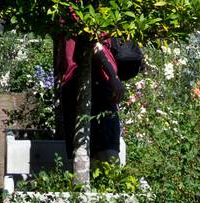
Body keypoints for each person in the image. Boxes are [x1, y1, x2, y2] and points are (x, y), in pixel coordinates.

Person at [56, 33, 144, 164]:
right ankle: (107, 183)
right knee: (107, 154)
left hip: (77, 83)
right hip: (95, 81)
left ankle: (99, 182)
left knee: (88, 155)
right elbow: (94, 45)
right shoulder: (83, 15)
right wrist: (113, 77)